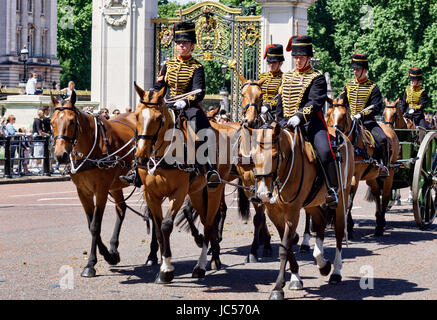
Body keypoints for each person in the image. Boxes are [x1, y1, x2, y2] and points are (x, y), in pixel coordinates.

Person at [120, 21, 220, 188]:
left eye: (185, 43)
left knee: (204, 129)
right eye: (179, 43)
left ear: (192, 45)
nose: (182, 46)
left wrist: (185, 102)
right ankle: (136, 170)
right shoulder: (167, 65)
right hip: (166, 105)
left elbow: (199, 92)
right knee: (144, 129)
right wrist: (154, 95)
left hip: (188, 108)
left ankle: (209, 168)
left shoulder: (197, 67)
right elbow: (159, 86)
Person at [273, 35, 339, 209]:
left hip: (310, 124)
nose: (298, 61)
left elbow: (316, 102)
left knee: (325, 152)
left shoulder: (316, 77)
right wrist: (278, 120)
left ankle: (333, 190)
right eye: (296, 57)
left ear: (309, 58)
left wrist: (299, 116)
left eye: (301, 57)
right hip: (287, 124)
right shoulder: (286, 77)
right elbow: (280, 101)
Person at [339, 53, 389, 177]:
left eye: (358, 69)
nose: (355, 72)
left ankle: (383, 165)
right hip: (350, 122)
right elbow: (341, 101)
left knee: (382, 139)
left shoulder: (373, 87)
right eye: (354, 69)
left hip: (367, 122)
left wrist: (361, 115)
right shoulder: (348, 86)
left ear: (365, 70)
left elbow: (376, 107)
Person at [259, 44, 285, 116]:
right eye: (269, 62)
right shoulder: (261, 77)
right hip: (260, 110)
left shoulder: (284, 78)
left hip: (275, 112)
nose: (271, 65)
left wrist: (269, 106)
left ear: (280, 63)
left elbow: (281, 97)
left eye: (274, 62)